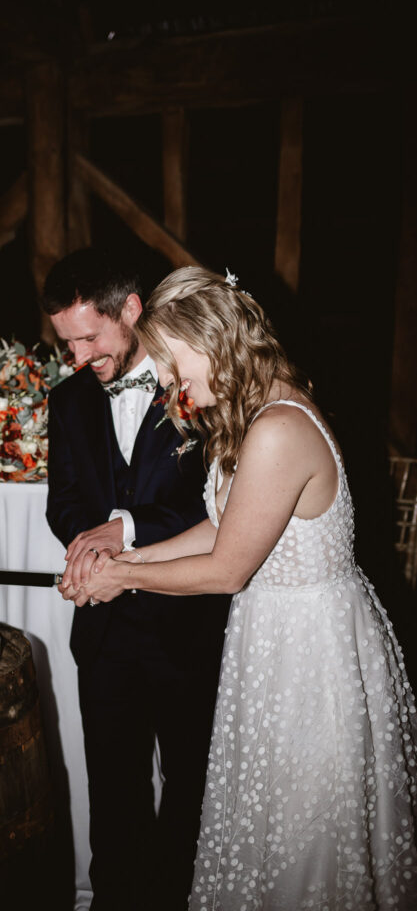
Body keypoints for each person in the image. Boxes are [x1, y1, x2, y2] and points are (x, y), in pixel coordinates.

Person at [63, 264, 417, 910]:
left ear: (208, 341)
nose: (171, 384)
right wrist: (128, 557)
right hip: (273, 638)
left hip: (307, 654)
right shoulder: (260, 409)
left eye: (172, 365)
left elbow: (228, 567)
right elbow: (222, 527)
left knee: (302, 832)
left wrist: (121, 577)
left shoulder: (278, 428)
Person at [42, 249, 230, 911]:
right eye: (64, 343)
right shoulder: (65, 401)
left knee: (192, 785)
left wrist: (123, 529)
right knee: (114, 789)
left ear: (131, 310)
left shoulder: (201, 383)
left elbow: (221, 506)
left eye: (88, 338)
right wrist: (85, 548)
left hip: (190, 623)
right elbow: (62, 500)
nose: (76, 357)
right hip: (104, 632)